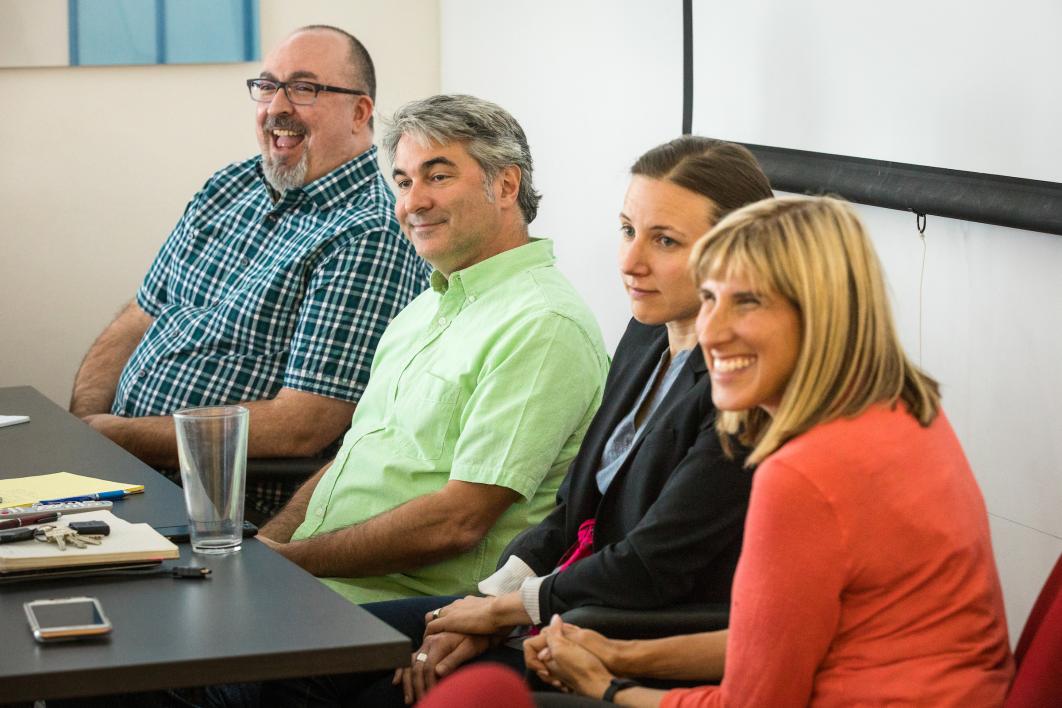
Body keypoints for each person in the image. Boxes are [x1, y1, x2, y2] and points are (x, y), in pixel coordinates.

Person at [310, 137, 773, 708]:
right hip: (550, 601)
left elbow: (650, 566)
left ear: (739, 251)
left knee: (373, 696)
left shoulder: (742, 388)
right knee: (304, 661)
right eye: (628, 231)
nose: (630, 263)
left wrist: (505, 610)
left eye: (665, 241)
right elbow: (573, 508)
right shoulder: (647, 332)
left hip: (620, 628)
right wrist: (484, 603)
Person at [522, 196, 1015, 706]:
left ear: (821, 314)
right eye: (710, 298)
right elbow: (781, 637)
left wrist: (607, 687)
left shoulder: (803, 474)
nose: (711, 332)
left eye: (749, 302)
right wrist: (622, 655)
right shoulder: (906, 408)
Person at [255, 94, 609, 609]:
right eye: (402, 182)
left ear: (505, 185)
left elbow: (457, 522)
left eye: (437, 177)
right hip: (318, 586)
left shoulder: (542, 324)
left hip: (408, 611)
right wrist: (264, 549)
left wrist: (288, 564)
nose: (412, 202)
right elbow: (354, 460)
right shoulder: (424, 308)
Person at [68, 25, 429, 520]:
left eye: (304, 88)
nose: (276, 106)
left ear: (360, 112)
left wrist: (112, 437)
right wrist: (82, 422)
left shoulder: (367, 233)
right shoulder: (230, 186)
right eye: (267, 86)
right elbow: (139, 315)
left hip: (217, 503)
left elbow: (303, 424)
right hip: (122, 469)